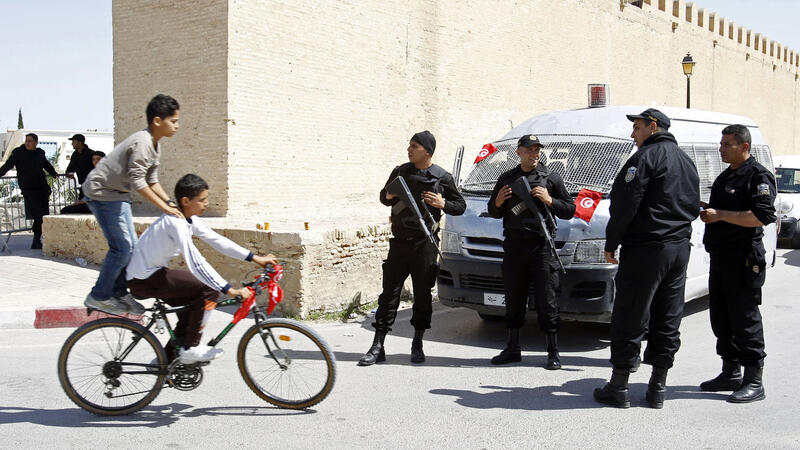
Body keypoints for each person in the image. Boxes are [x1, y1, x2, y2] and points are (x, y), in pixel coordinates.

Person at [594, 108, 700, 409]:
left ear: (653, 127)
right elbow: (693, 204)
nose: (633, 134)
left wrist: (612, 242)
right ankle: (658, 387)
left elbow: (625, 204)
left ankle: (619, 385)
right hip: (678, 249)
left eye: (637, 127)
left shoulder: (644, 158)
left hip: (647, 248)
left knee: (631, 313)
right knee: (668, 315)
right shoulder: (686, 161)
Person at [126, 174, 277, 363]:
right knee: (208, 288)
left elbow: (217, 240)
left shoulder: (188, 219)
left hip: (151, 274)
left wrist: (255, 258)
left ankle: (166, 360)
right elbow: (196, 262)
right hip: (143, 278)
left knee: (190, 311)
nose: (206, 204)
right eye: (202, 200)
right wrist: (229, 289)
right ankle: (192, 348)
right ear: (185, 201)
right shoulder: (176, 222)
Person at [358, 131, 466, 366]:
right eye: (409, 145)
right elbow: (383, 197)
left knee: (423, 297)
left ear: (427, 151)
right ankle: (378, 345)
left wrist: (443, 203)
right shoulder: (400, 172)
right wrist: (389, 195)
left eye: (414, 146)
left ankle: (417, 343)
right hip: (399, 244)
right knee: (389, 296)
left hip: (424, 245)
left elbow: (460, 206)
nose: (409, 149)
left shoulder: (442, 177)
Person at [82, 94, 184, 316]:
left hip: (118, 194)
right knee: (121, 248)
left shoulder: (155, 145)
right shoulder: (142, 143)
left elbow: (152, 180)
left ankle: (119, 293)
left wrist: (169, 202)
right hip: (102, 192)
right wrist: (164, 208)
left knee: (131, 248)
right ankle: (99, 296)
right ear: (157, 121)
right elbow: (138, 181)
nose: (177, 126)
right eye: (173, 121)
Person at [699, 125, 775, 403]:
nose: (721, 148)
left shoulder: (757, 176)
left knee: (745, 318)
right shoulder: (725, 176)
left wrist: (720, 215)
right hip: (720, 257)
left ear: (744, 147)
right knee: (721, 318)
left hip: (743, 258)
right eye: (721, 143)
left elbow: (761, 216)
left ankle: (754, 380)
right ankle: (730, 371)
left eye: (727, 144)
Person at [486, 134, 575, 369]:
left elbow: (569, 209)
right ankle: (512, 348)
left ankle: (553, 352)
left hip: (540, 246)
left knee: (547, 300)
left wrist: (549, 200)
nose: (534, 154)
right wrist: (497, 202)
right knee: (514, 298)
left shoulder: (550, 178)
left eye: (537, 150)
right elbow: (493, 211)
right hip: (515, 246)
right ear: (519, 152)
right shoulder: (507, 178)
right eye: (529, 150)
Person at [0, 133, 58, 249]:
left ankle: (37, 239)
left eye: (30, 141)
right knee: (38, 214)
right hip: (29, 189)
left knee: (43, 216)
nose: (27, 143)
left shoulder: (40, 153)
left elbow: (46, 164)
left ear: (36, 142)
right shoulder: (18, 153)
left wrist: (53, 173)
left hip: (42, 188)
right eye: (26, 141)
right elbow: (7, 165)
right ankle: (36, 240)